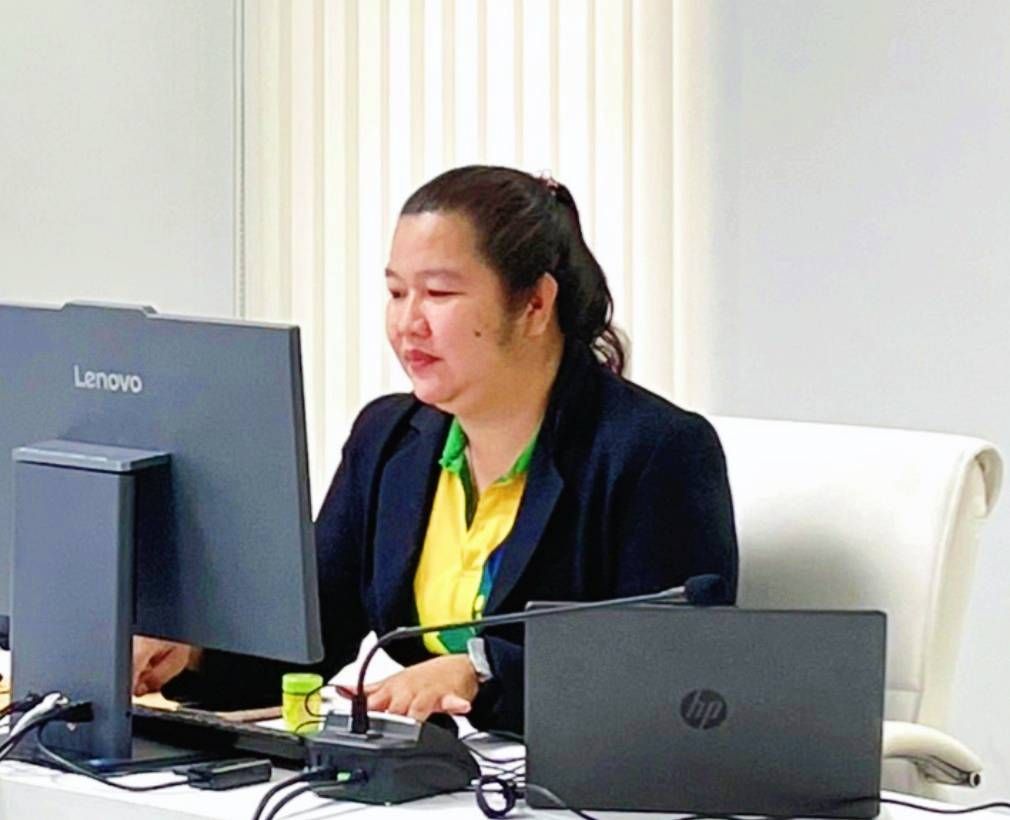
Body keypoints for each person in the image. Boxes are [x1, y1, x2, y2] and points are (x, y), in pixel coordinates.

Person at [133, 165, 738, 734]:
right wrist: (190, 652)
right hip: (429, 777)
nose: (408, 323)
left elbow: (673, 672)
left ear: (534, 304)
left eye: (439, 294)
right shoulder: (389, 439)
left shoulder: (655, 451)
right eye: (397, 293)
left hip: (574, 785)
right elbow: (310, 642)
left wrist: (482, 670)